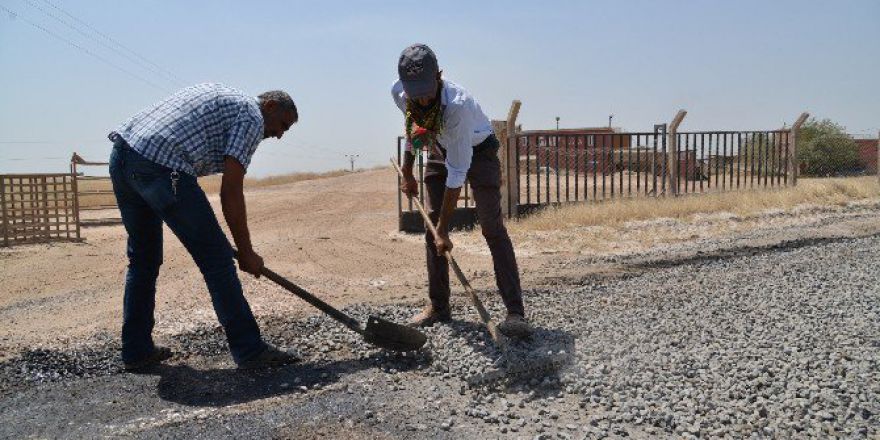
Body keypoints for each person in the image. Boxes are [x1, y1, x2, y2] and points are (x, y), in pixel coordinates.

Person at [108, 83, 301, 370]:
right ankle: (249, 350)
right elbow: (231, 191)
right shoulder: (251, 115)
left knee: (143, 260)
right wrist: (246, 252)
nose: (279, 134)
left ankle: (137, 351)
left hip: (123, 157)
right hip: (163, 167)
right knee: (217, 260)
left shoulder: (225, 97)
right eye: (282, 125)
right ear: (270, 106)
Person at [392, 44, 531, 338]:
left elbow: (458, 171)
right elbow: (414, 127)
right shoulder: (401, 93)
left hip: (478, 151)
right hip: (440, 146)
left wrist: (446, 228)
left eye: (427, 90)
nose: (423, 98)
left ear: (439, 76)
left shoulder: (457, 106)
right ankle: (439, 306)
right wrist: (406, 171)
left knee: (492, 228)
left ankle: (515, 312)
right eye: (415, 93)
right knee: (431, 231)